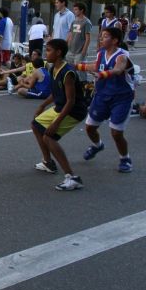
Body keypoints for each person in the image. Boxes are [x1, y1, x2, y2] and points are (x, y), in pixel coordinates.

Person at [30, 39, 89, 190]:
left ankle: (72, 177)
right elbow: (56, 93)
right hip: (60, 106)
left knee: (48, 137)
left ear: (58, 52)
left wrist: (56, 122)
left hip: (73, 110)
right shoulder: (52, 68)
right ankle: (48, 163)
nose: (46, 53)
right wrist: (42, 105)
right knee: (36, 125)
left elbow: (71, 101)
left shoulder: (67, 72)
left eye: (48, 50)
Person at [77, 27, 136, 173]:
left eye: (105, 36)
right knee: (90, 127)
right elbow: (95, 66)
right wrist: (76, 66)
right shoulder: (101, 53)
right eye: (101, 36)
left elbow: (118, 69)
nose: (101, 39)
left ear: (115, 40)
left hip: (121, 98)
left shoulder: (122, 56)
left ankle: (125, 158)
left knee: (116, 132)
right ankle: (97, 145)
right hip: (102, 96)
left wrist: (103, 74)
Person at [66, 2, 92, 81]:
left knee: (80, 71)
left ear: (82, 10)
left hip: (80, 51)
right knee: (70, 70)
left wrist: (83, 51)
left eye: (76, 9)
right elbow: (70, 34)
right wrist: (66, 44)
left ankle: (83, 85)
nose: (74, 11)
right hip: (71, 50)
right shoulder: (74, 21)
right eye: (74, 9)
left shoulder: (86, 22)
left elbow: (88, 38)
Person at [0, 7, 14, 72]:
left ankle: (14, 71)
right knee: (0, 60)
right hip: (8, 42)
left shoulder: (2, 21)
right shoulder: (10, 20)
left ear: (1, 13)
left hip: (3, 43)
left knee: (6, 60)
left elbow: (0, 33)